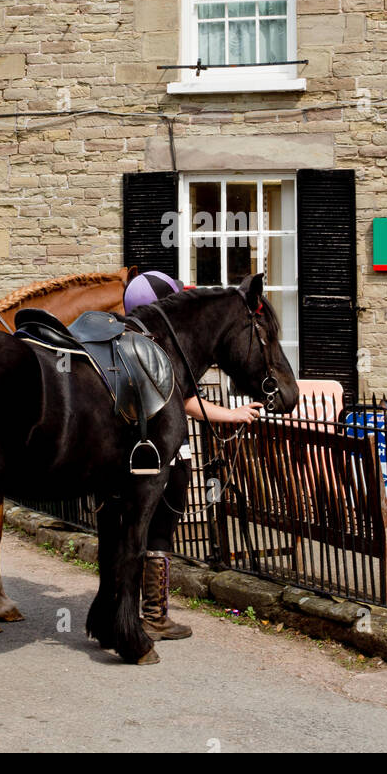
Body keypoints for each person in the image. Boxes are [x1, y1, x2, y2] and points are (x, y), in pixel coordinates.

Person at [124, 271, 263, 640]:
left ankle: (145, 612)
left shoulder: (130, 347)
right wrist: (232, 413)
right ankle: (154, 614)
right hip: (168, 456)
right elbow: (185, 402)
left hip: (144, 454)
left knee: (145, 533)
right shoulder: (159, 351)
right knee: (159, 533)